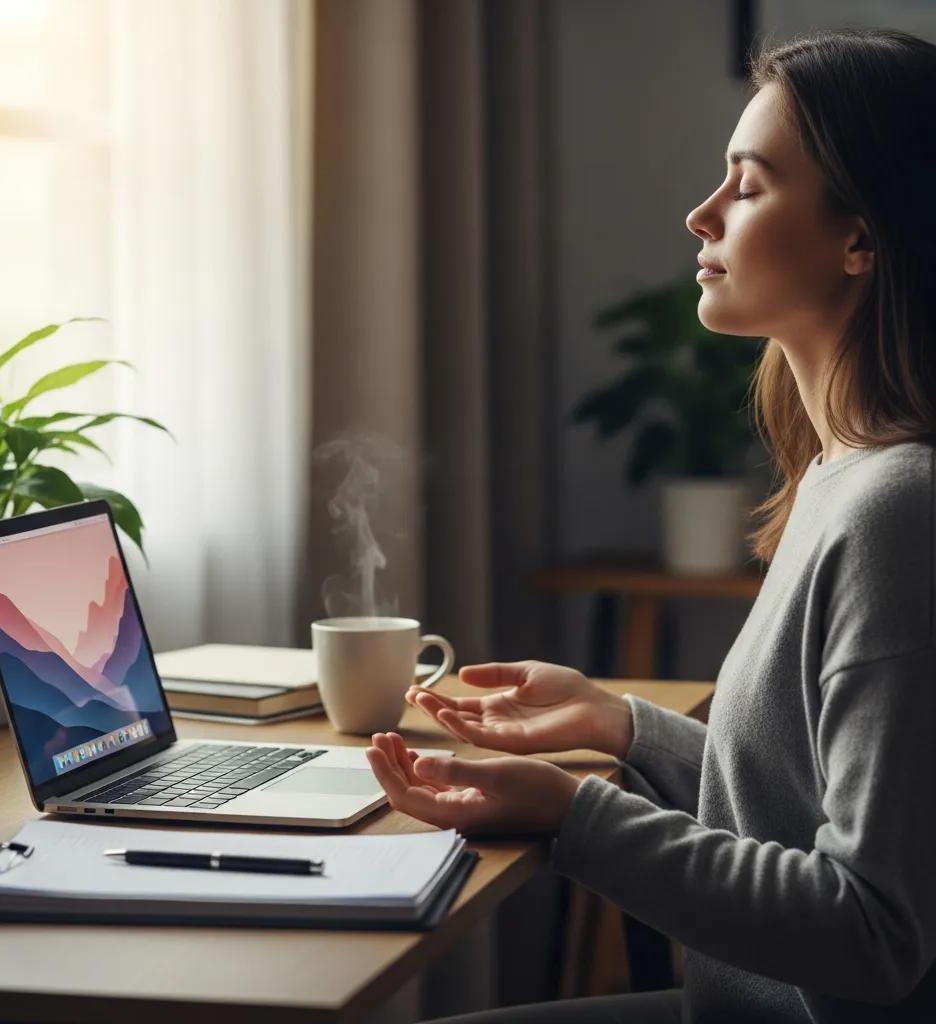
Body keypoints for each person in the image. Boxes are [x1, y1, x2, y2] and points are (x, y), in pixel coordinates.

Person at [365, 27, 936, 1024]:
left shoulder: (898, 513)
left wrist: (572, 810)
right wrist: (618, 722)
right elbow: (800, 806)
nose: (700, 213)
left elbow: (872, 930)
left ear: (860, 238)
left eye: (748, 187)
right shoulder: (842, 477)